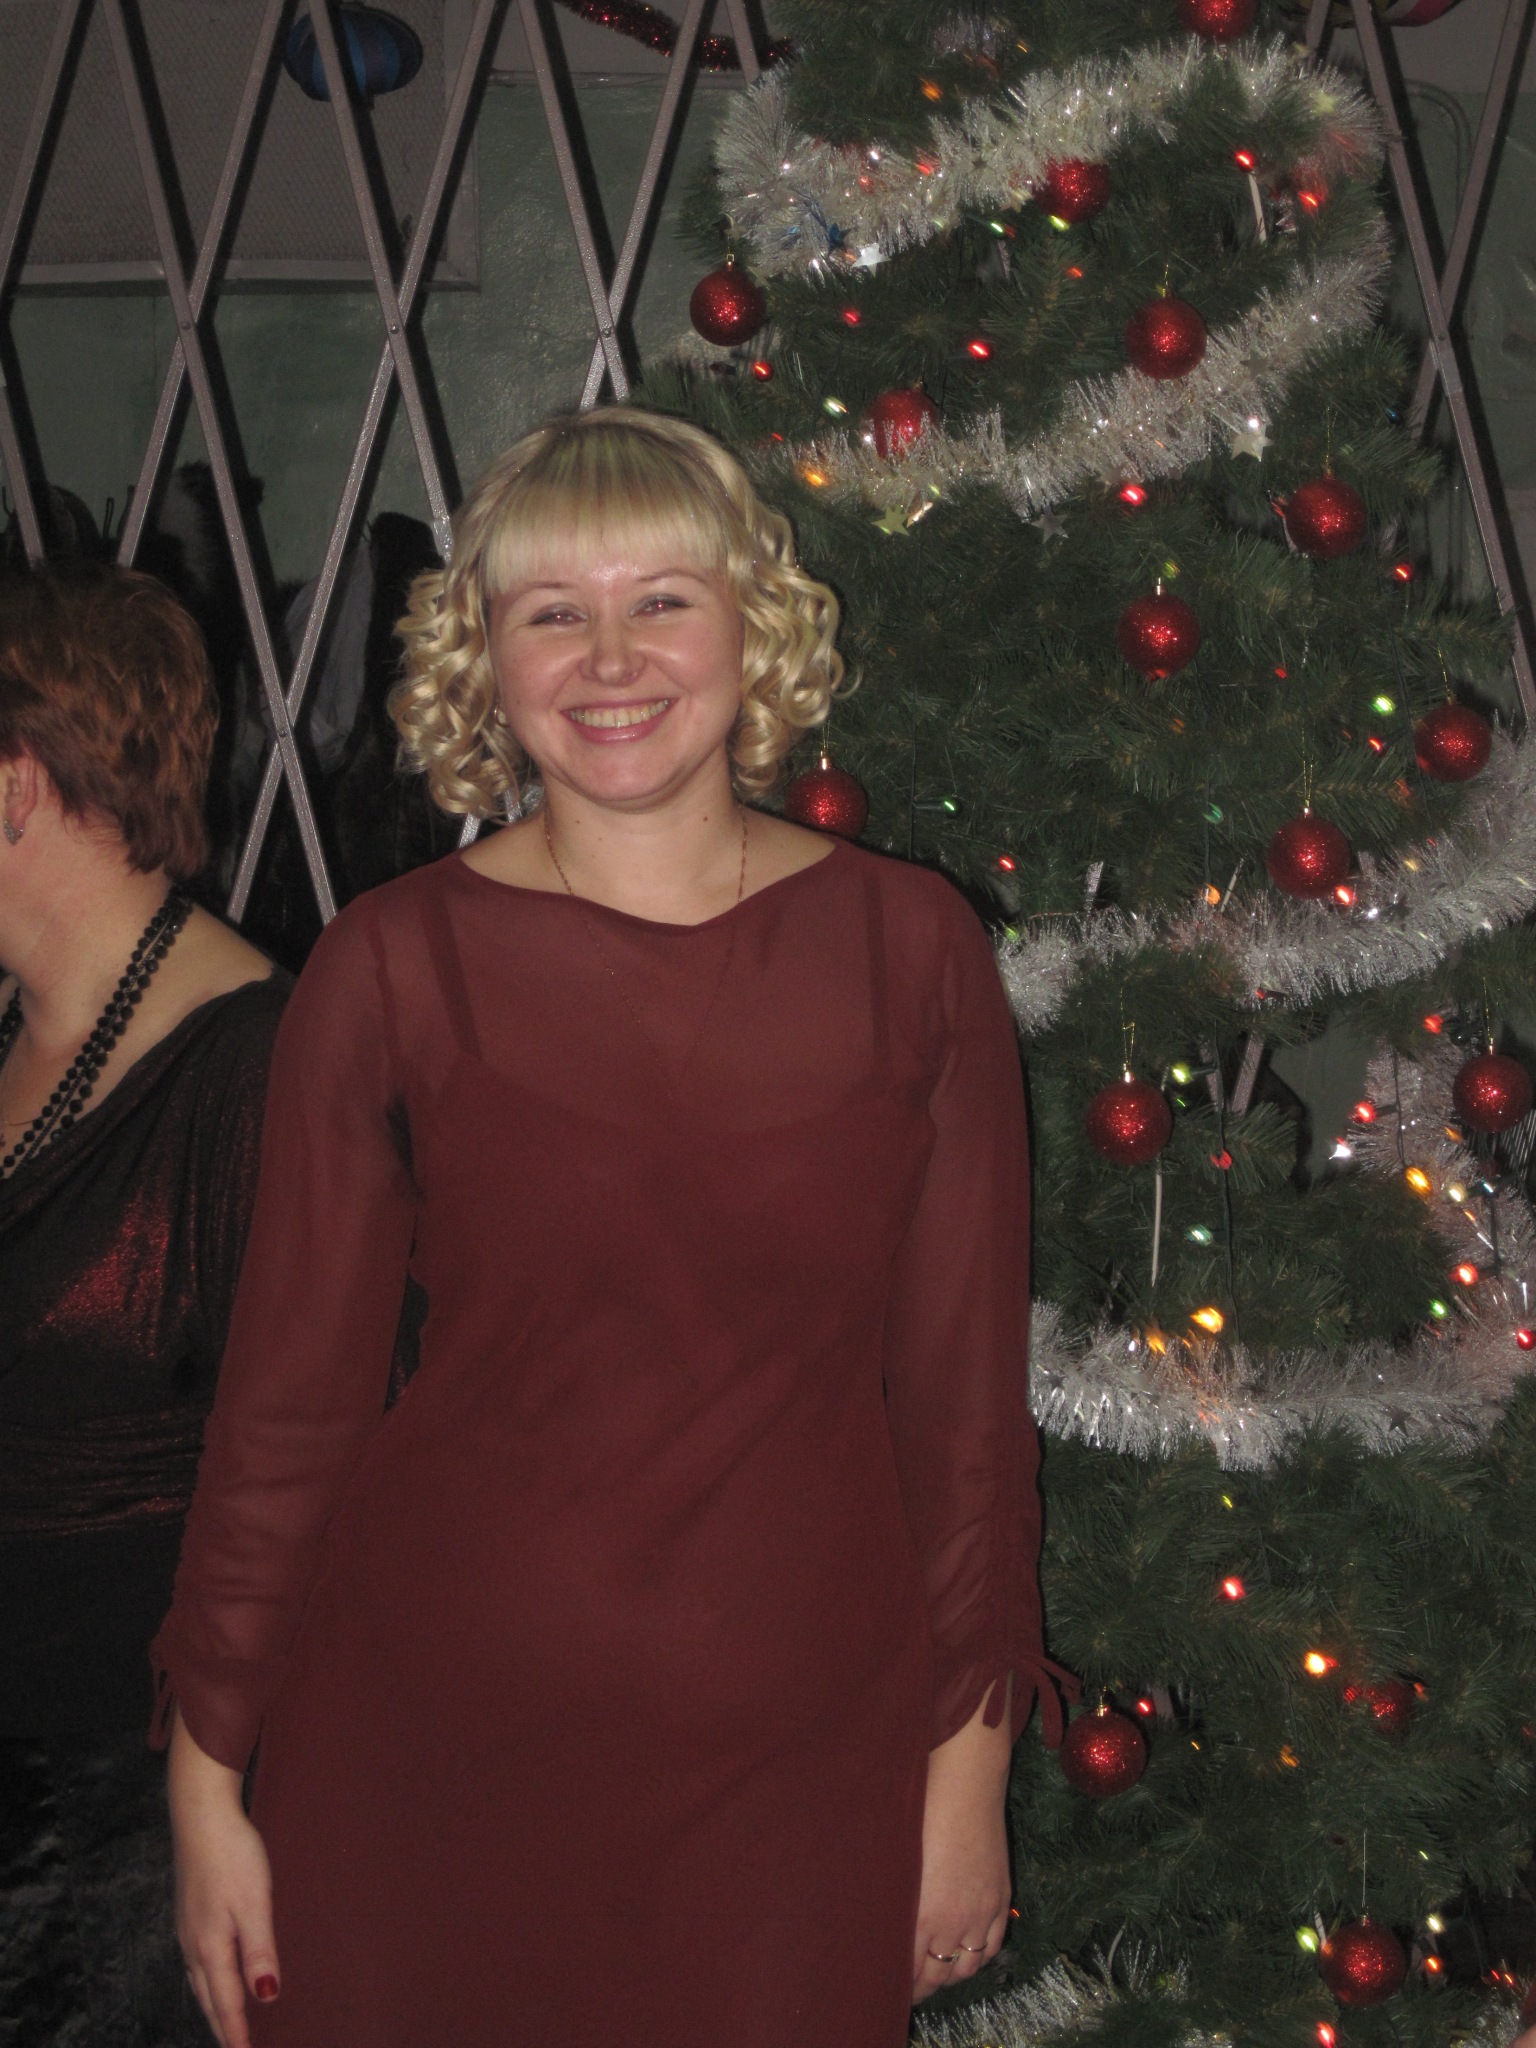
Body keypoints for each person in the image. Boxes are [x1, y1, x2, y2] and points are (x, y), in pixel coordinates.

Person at [158, 406, 1068, 2048]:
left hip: (797, 1779)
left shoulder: (910, 950)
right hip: (415, 1772)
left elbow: (964, 1424)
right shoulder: (389, 967)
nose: (609, 659)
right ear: (486, 661)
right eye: (550, 613)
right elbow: (285, 1413)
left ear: (752, 629)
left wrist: (970, 1774)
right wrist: (207, 1783)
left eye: (662, 599)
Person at [0, 563, 285, 2044]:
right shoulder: (20, 1029)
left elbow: (328, 1497)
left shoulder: (264, 1067)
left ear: (14, 783)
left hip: (130, 1839)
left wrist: (218, 1810)